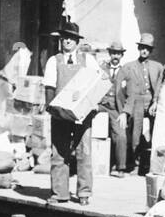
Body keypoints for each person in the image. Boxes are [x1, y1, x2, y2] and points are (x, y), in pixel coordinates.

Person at [42, 24, 99, 205]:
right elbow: (50, 88)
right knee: (59, 153)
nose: (67, 41)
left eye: (71, 38)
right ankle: (59, 193)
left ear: (77, 41)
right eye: (64, 37)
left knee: (84, 152)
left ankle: (84, 193)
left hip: (82, 115)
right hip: (60, 114)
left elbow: (98, 81)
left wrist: (92, 106)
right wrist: (53, 110)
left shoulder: (87, 60)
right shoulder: (54, 61)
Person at [117, 32, 163, 174]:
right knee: (135, 135)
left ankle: (151, 166)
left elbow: (161, 86)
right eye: (142, 47)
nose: (144, 50)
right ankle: (134, 163)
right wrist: (123, 110)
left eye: (147, 48)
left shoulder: (158, 67)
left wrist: (156, 101)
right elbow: (118, 88)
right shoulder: (128, 66)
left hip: (152, 102)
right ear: (139, 48)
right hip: (136, 102)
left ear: (151, 50)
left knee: (156, 134)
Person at [97, 39, 129, 176]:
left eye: (118, 54)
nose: (115, 56)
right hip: (100, 104)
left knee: (121, 135)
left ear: (122, 56)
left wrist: (124, 112)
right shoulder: (101, 67)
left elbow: (131, 93)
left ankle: (121, 167)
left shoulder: (126, 71)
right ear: (110, 54)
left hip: (116, 108)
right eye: (113, 53)